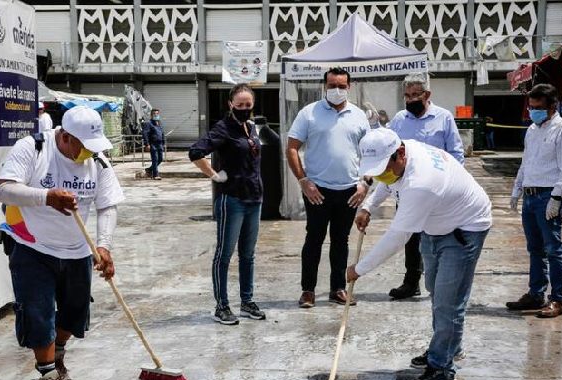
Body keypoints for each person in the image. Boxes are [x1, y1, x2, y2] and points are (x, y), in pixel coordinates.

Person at [0, 106, 125, 380]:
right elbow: (4, 190)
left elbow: (108, 206)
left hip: (77, 250)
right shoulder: (34, 147)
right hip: (32, 246)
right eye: (83, 146)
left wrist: (103, 247)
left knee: (75, 310)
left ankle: (58, 354)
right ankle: (49, 377)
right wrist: (46, 197)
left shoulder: (97, 161)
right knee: (38, 312)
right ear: (65, 137)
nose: (89, 154)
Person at [348, 129, 491, 380]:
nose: (381, 175)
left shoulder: (421, 181)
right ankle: (449, 346)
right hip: (435, 223)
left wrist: (359, 269)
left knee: (449, 301)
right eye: (375, 171)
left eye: (383, 168)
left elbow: (398, 237)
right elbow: (386, 182)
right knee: (436, 290)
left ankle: (442, 369)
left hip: (464, 229)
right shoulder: (404, 153)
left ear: (399, 154)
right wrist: (369, 206)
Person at [286, 67, 370, 309]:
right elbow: (292, 148)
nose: (337, 90)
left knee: (341, 240)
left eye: (342, 86)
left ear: (349, 87)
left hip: (349, 191)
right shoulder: (309, 113)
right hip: (317, 191)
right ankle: (308, 291)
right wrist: (303, 181)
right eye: (332, 85)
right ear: (324, 86)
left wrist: (365, 183)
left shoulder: (358, 115)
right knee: (314, 239)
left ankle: (337, 289)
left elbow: (370, 153)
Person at [189, 83, 266, 325]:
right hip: (232, 199)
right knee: (224, 254)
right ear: (230, 104)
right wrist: (213, 174)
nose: (244, 108)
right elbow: (195, 152)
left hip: (254, 198)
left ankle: (247, 301)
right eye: (240, 104)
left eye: (248, 105)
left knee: (248, 255)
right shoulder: (223, 129)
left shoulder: (250, 127)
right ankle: (221, 305)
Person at [385, 73, 465, 300]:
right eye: (407, 96)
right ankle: (411, 282)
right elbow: (388, 147)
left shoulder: (443, 117)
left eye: (415, 95)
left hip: (438, 192)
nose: (410, 100)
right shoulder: (400, 119)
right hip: (408, 191)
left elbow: (456, 153)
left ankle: (439, 282)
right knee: (410, 237)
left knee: (437, 236)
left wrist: (451, 183)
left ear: (427, 95)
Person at [507, 84, 562, 318]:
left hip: (549, 195)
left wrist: (557, 197)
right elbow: (526, 162)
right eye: (531, 107)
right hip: (530, 194)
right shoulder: (532, 130)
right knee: (534, 248)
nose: (533, 112)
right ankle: (535, 294)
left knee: (554, 248)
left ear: (552, 106)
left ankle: (557, 300)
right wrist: (517, 189)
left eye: (538, 107)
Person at [142, 109, 167, 180]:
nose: (156, 115)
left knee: (160, 159)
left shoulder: (160, 123)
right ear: (151, 115)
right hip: (152, 144)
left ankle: (149, 170)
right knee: (155, 159)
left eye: (157, 114)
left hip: (160, 144)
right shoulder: (148, 123)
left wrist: (164, 143)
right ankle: (155, 175)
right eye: (154, 114)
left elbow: (162, 134)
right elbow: (145, 134)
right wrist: (147, 144)